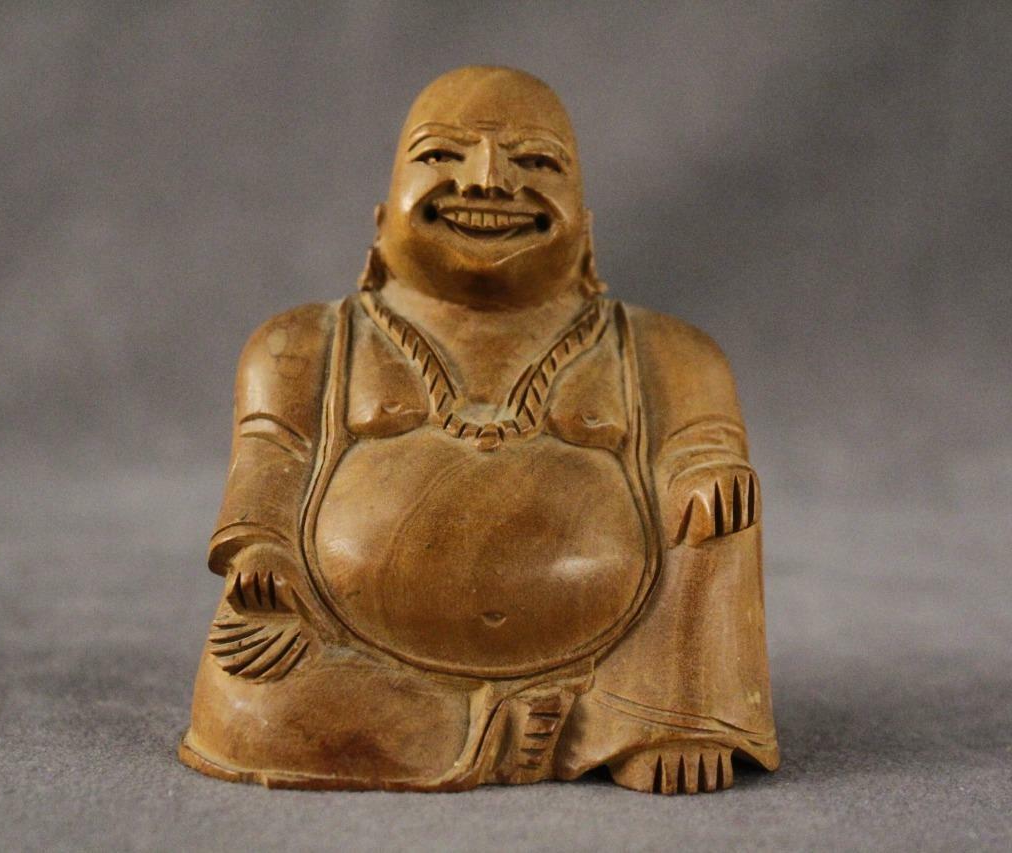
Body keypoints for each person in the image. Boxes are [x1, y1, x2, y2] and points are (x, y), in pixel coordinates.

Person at [179, 66, 778, 794]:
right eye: (442, 154)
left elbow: (700, 442)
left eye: (536, 161)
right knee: (251, 704)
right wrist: (262, 551)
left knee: (721, 510)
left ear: (586, 223)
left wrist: (705, 474)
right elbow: (271, 454)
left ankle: (660, 714)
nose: (488, 182)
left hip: (618, 652)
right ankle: (527, 725)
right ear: (382, 215)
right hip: (347, 639)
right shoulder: (302, 342)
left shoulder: (671, 351)